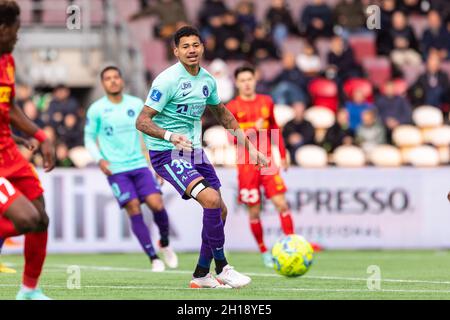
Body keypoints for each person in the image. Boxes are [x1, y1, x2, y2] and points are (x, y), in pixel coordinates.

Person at [136, 26, 269, 289]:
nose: (191, 50)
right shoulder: (166, 80)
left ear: (202, 47)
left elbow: (223, 114)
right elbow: (142, 121)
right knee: (210, 199)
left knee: (220, 209)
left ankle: (200, 274)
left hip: (194, 151)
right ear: (176, 51)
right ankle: (222, 268)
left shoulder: (207, 80)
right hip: (167, 152)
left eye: (195, 45)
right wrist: (169, 136)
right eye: (185, 46)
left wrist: (250, 147)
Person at [84, 66, 178, 272]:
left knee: (157, 204)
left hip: (139, 164)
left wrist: (155, 164)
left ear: (122, 80)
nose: (113, 81)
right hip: (116, 169)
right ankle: (153, 258)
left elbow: (149, 134)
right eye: (108, 78)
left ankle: (164, 242)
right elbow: (89, 138)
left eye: (116, 77)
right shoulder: (97, 109)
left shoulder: (136, 105)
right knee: (133, 207)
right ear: (103, 84)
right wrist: (100, 160)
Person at [0, 0, 56, 299]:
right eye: (16, 31)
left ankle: (28, 291)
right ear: (2, 29)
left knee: (41, 218)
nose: (17, 37)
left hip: (8, 152)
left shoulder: (7, 61)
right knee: (25, 219)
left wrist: (38, 135)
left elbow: (7, 108)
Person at [227, 66, 294, 268]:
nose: (247, 83)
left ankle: (291, 244)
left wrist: (282, 154)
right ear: (237, 83)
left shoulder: (266, 102)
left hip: (267, 161)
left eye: (250, 79)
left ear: (255, 80)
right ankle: (264, 250)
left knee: (281, 203)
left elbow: (275, 128)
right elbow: (231, 138)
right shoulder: (232, 107)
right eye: (242, 80)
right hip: (246, 164)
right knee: (254, 211)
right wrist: (250, 129)